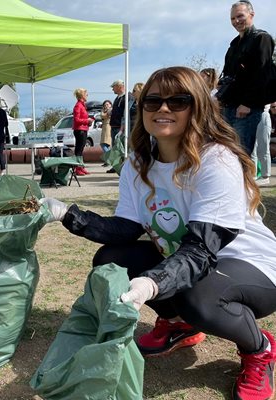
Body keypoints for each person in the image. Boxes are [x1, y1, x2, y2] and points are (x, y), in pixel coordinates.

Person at [40, 66, 276, 400]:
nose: (163, 109)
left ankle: (259, 348)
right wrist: (65, 213)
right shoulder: (137, 163)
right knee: (112, 259)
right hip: (192, 262)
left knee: (198, 294)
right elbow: (125, 229)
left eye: (178, 101)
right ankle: (181, 325)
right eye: (152, 101)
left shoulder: (216, 160)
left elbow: (201, 251)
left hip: (252, 266)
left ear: (198, 108)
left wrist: (152, 283)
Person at [219, 1, 275, 155]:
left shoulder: (262, 38)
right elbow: (228, 74)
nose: (236, 21)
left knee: (240, 155)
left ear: (252, 14)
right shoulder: (234, 44)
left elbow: (261, 74)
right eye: (232, 18)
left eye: (240, 16)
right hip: (228, 106)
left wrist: (247, 104)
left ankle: (243, 180)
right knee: (227, 154)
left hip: (246, 109)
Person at [107, 79, 134, 173]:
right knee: (115, 148)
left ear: (119, 86)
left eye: (113, 87)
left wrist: (123, 128)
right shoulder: (117, 98)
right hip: (114, 126)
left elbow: (126, 113)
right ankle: (116, 166)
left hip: (121, 127)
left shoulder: (128, 97)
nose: (112, 89)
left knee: (123, 148)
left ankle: (123, 166)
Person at [72, 88, 94, 176]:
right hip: (79, 130)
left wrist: (88, 122)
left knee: (81, 150)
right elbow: (76, 120)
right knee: (79, 150)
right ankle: (77, 168)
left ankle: (80, 167)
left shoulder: (82, 105)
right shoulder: (78, 106)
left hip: (83, 129)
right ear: (82, 95)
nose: (87, 95)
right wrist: (87, 120)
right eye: (86, 93)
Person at [252, 105, 272, 186]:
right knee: (252, 149)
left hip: (262, 113)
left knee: (263, 147)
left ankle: (265, 176)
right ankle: (253, 175)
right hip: (249, 115)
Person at [100, 99, 113, 167]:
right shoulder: (105, 111)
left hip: (108, 127)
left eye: (107, 104)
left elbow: (103, 115)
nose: (106, 106)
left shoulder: (111, 110)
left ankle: (109, 160)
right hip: (104, 127)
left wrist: (107, 112)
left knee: (104, 144)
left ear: (110, 104)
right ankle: (107, 160)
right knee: (106, 145)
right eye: (105, 105)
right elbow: (102, 115)